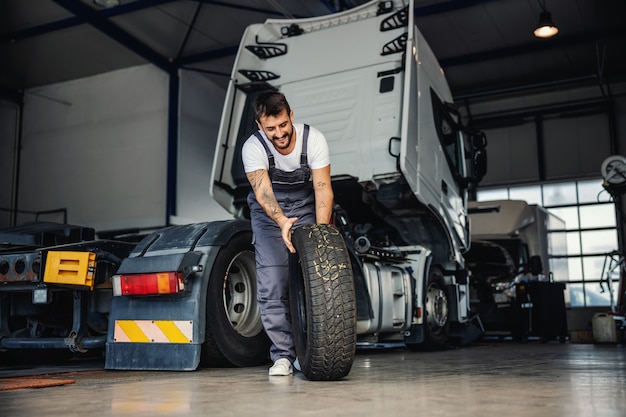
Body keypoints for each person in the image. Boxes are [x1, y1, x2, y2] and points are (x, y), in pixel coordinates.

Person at [242, 91, 334, 376]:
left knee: (316, 278)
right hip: (270, 213)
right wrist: (282, 221)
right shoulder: (252, 147)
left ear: (291, 115)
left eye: (283, 124)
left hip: (308, 205)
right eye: (271, 128)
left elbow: (322, 188)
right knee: (273, 283)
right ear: (260, 126)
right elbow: (263, 192)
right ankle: (283, 354)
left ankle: (316, 348)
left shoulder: (314, 139)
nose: (279, 133)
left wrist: (320, 234)